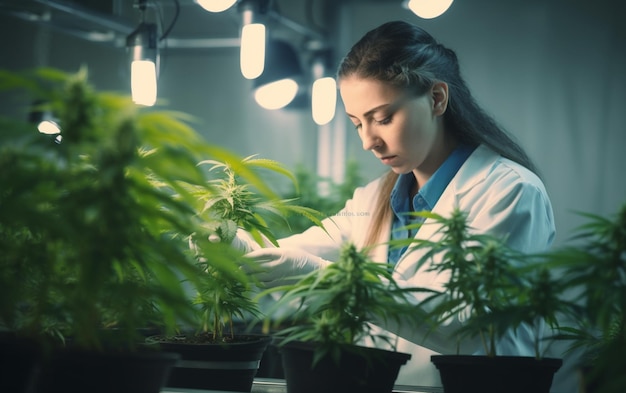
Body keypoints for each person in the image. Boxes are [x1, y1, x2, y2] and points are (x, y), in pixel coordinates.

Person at [241, 20, 556, 388]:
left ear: (437, 98)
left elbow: (463, 323)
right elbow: (300, 248)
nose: (368, 141)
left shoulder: (510, 192)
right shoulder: (375, 198)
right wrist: (235, 249)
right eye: (357, 123)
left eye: (383, 118)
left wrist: (320, 275)